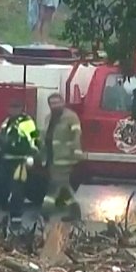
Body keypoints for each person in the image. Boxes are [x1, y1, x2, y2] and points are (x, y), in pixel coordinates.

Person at [0, 99, 40, 226]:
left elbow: (35, 138)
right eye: (11, 107)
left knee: (17, 190)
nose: (13, 110)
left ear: (21, 109)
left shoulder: (27, 122)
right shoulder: (7, 121)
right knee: (3, 187)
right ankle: (5, 217)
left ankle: (16, 218)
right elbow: (0, 135)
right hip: (6, 160)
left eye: (16, 107)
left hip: (20, 161)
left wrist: (33, 155)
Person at [41, 93, 83, 221]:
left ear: (63, 103)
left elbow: (76, 134)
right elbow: (44, 136)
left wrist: (76, 153)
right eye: (52, 103)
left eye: (57, 103)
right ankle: (75, 212)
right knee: (64, 186)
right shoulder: (48, 118)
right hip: (51, 157)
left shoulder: (71, 117)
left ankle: (45, 211)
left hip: (65, 157)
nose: (55, 106)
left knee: (54, 185)